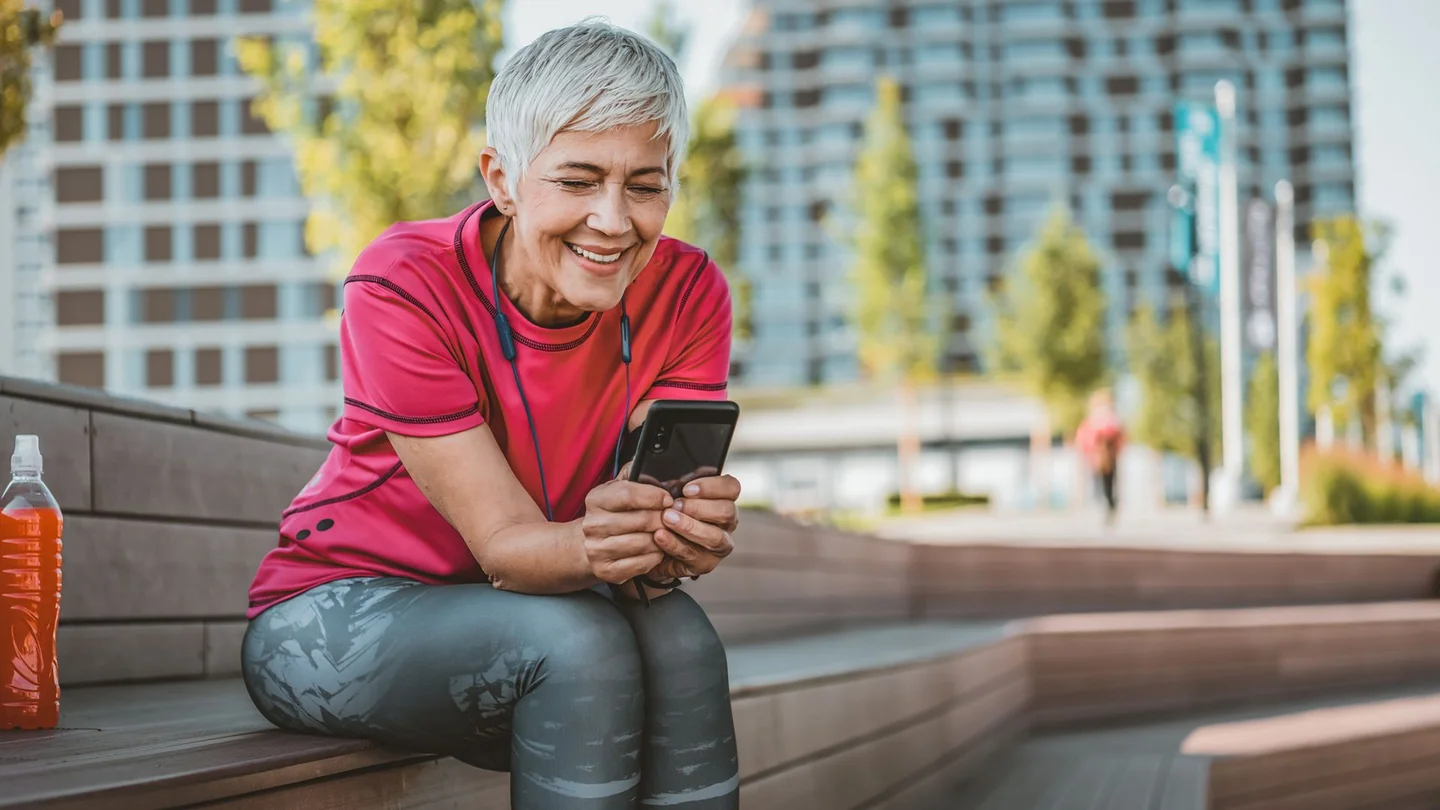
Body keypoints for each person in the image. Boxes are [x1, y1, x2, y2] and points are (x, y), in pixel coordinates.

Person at [240, 22, 742, 809]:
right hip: (328, 620)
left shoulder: (688, 292)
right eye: (577, 181)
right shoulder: (405, 284)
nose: (614, 221)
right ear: (502, 180)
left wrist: (675, 539)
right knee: (577, 645)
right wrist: (607, 543)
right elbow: (508, 549)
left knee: (682, 640)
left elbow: (637, 550)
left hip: (545, 607)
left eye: (645, 186)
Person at [1076, 389, 1125, 522]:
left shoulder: (1112, 418)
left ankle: (1110, 503)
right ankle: (1106, 503)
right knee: (1099, 483)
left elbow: (1119, 435)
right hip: (1097, 456)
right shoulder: (1094, 418)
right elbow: (1085, 436)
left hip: (1109, 456)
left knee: (1109, 482)